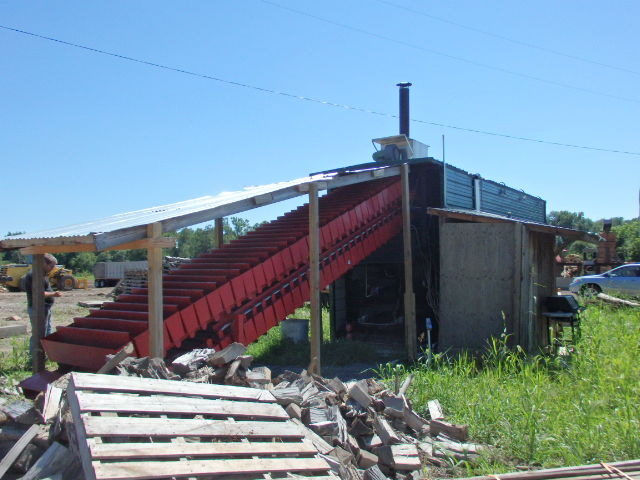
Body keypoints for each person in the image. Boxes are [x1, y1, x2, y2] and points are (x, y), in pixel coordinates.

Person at [24, 253, 62, 359]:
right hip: (38, 309)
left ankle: (44, 355)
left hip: (45, 308)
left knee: (47, 332)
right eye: (51, 266)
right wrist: (54, 294)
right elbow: (38, 293)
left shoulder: (43, 274)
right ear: (44, 263)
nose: (53, 268)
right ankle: (35, 358)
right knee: (38, 334)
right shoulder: (34, 275)